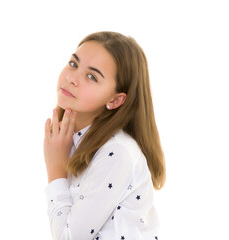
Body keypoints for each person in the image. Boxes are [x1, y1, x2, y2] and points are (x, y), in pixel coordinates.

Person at [43, 31, 166, 240]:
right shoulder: (74, 141)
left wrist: (56, 171)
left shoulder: (116, 152)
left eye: (92, 76)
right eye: (73, 64)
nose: (72, 78)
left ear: (116, 100)